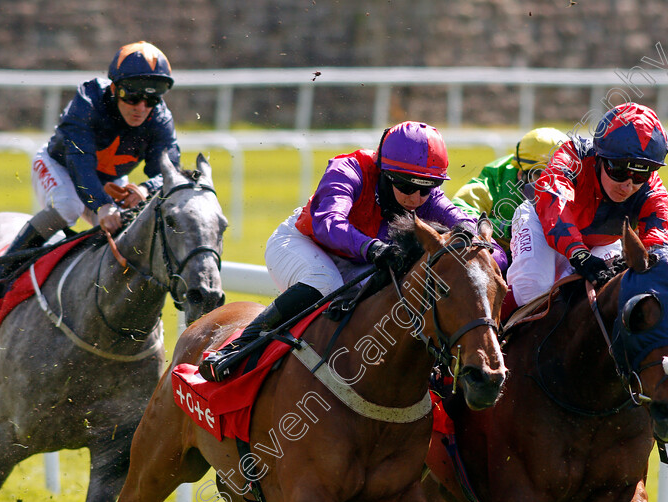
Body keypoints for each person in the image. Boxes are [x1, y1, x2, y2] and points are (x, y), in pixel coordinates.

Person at [200, 121, 508, 382]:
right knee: (325, 283)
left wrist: (469, 230)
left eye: (427, 188)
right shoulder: (348, 169)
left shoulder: (421, 189)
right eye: (406, 186)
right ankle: (240, 348)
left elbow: (463, 221)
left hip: (362, 255)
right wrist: (371, 247)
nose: (416, 197)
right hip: (302, 243)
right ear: (385, 172)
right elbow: (328, 223)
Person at [0, 41, 181, 310]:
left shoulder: (160, 118)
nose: (141, 107)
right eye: (132, 96)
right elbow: (80, 164)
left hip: (108, 180)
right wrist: (102, 205)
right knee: (69, 206)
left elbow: (169, 170)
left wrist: (144, 189)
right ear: (113, 88)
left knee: (130, 226)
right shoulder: (88, 100)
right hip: (60, 166)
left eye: (152, 99)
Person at [501, 102, 668, 321]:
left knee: (600, 297)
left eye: (640, 176)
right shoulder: (574, 155)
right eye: (619, 171)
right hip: (542, 222)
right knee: (535, 288)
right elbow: (556, 207)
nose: (627, 185)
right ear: (601, 157)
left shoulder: (653, 190)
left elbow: (658, 240)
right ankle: (483, 335)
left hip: (602, 241)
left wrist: (666, 266)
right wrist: (578, 254)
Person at [452, 127, 570, 250]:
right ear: (520, 174)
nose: (552, 185)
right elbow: (459, 215)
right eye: (542, 175)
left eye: (562, 176)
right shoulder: (494, 179)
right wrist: (509, 227)